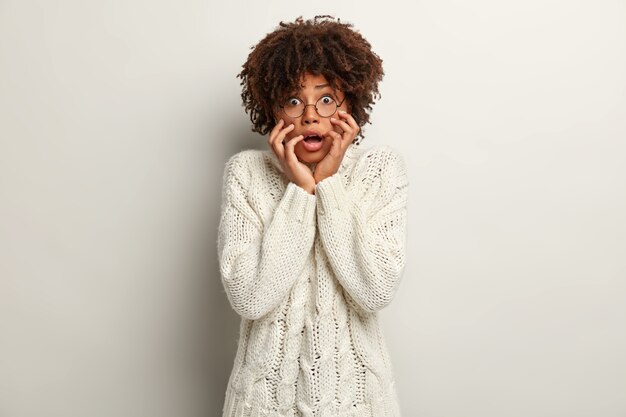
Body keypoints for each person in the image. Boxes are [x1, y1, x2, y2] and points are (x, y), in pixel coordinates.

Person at [217, 15, 409, 417]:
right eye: (292, 100)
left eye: (325, 99)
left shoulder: (379, 170)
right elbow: (251, 297)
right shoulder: (246, 173)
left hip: (358, 402)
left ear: (350, 106)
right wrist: (302, 191)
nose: (309, 116)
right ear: (272, 108)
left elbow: (374, 291)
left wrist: (329, 185)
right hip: (262, 402)